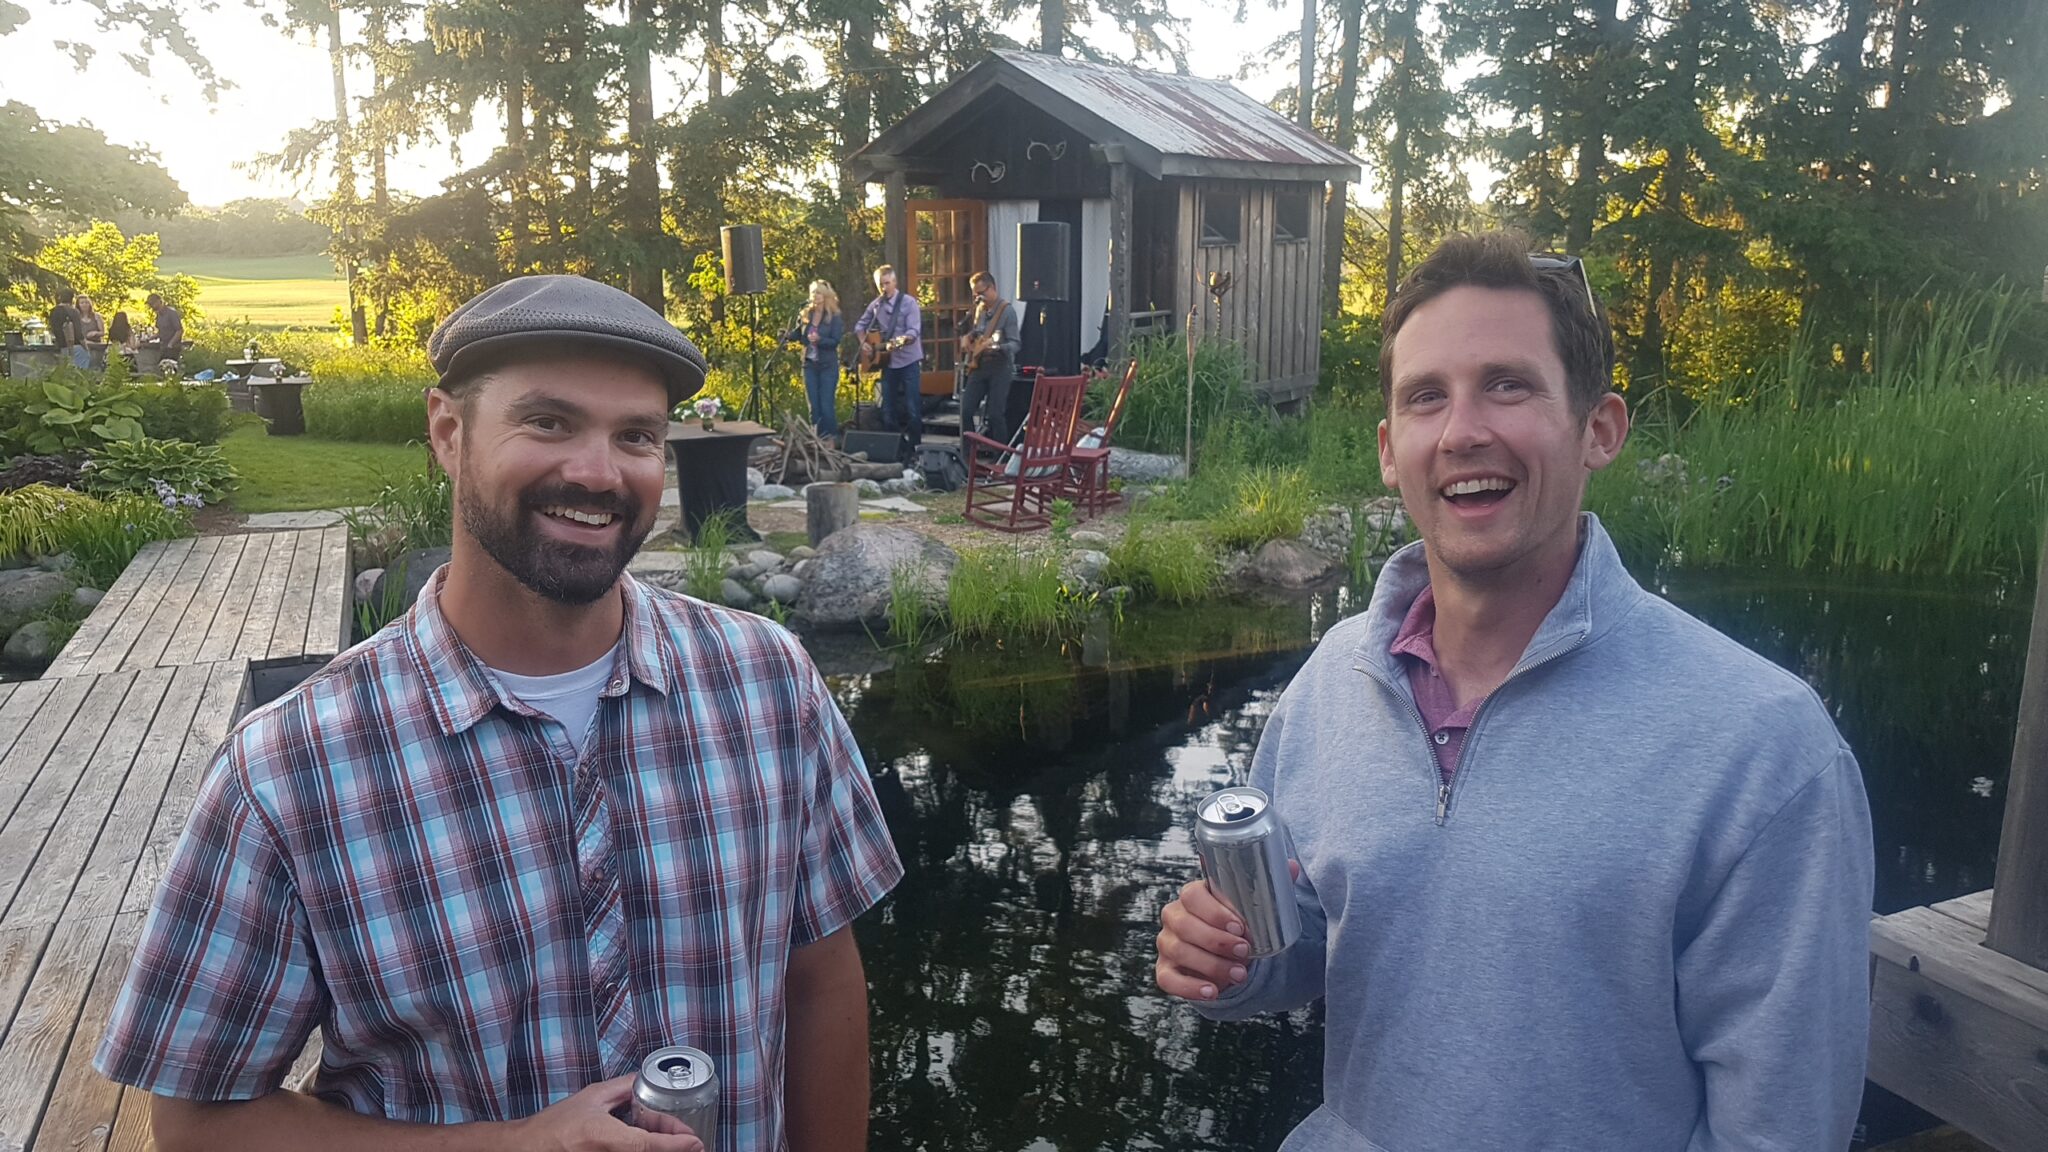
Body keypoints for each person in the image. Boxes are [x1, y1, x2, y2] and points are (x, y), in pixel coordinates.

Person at [97, 274, 905, 1152]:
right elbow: (196, 1123)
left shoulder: (767, 684)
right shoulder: (291, 771)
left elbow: (820, 977)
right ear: (449, 432)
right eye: (549, 422)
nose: (597, 472)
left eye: (635, 435)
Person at [1153, 231, 1874, 1150]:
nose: (1462, 431)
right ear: (1388, 450)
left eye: (1509, 384)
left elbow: (1783, 1125)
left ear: (1599, 429)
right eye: (1426, 399)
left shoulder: (1764, 747)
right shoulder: (1332, 680)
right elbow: (1300, 940)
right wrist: (1226, 957)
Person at [851, 264, 923, 450]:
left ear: (895, 282)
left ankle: (916, 448)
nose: (884, 288)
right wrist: (863, 342)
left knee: (912, 407)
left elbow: (914, 330)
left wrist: (905, 339)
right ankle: (895, 448)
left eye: (887, 283)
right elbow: (860, 326)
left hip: (908, 360)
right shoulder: (876, 305)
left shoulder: (908, 303)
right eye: (881, 284)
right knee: (887, 409)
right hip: (888, 362)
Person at [957, 271, 1019, 444]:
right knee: (966, 410)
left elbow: (1016, 343)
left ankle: (1001, 456)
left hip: (1000, 366)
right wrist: (968, 337)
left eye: (981, 293)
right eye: (975, 294)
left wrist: (998, 347)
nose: (978, 297)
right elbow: (979, 332)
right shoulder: (980, 311)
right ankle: (968, 456)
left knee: (995, 413)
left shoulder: (1007, 311)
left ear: (992, 288)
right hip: (980, 365)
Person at [783, 280, 845, 436]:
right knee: (814, 407)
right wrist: (787, 336)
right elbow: (799, 334)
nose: (815, 296)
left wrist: (820, 340)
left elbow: (836, 341)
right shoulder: (806, 314)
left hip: (827, 366)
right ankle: (816, 438)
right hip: (810, 365)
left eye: (818, 293)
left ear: (825, 296)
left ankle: (831, 438)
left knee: (826, 405)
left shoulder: (834, 317)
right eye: (813, 293)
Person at [48, 288, 87, 370]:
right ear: (72, 299)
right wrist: (86, 347)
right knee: (81, 373)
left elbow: (53, 330)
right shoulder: (73, 311)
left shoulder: (53, 312)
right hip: (75, 347)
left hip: (62, 347)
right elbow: (78, 333)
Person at [146, 291, 184, 356]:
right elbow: (161, 332)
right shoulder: (158, 315)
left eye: (153, 304)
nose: (153, 308)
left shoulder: (171, 313)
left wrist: (171, 344)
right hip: (163, 347)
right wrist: (150, 338)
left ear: (159, 302)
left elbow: (179, 330)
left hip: (173, 348)